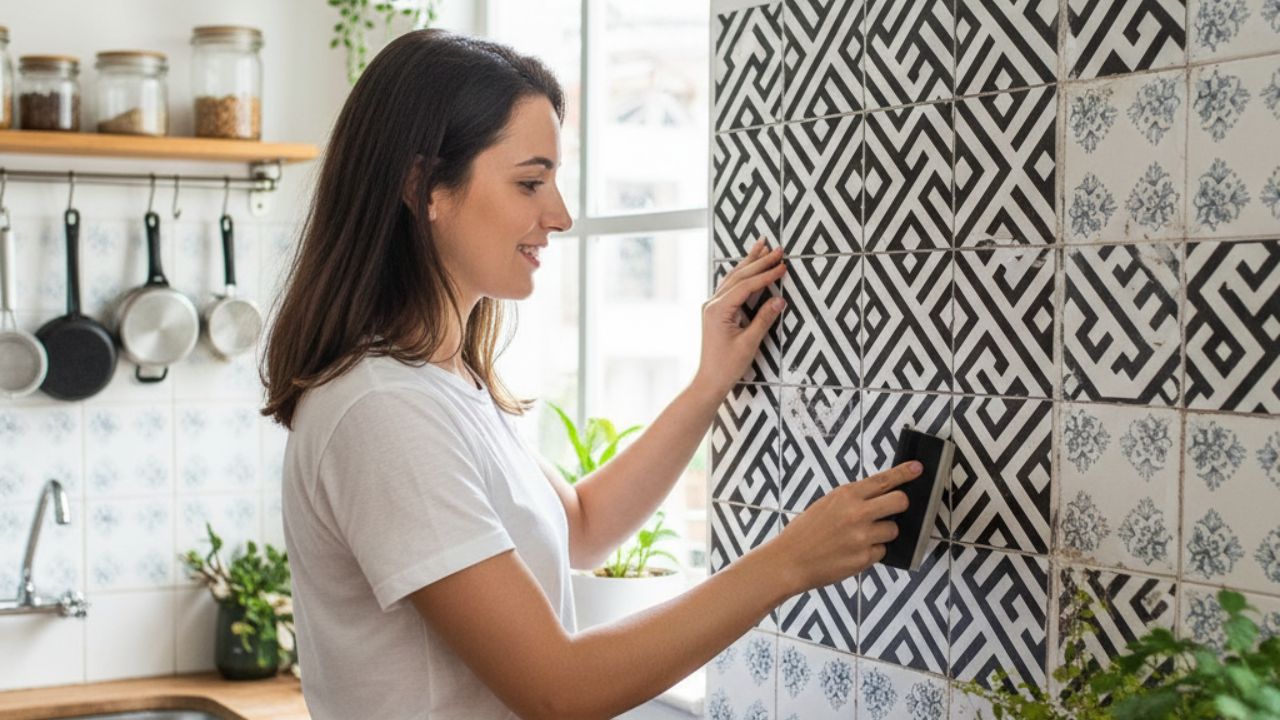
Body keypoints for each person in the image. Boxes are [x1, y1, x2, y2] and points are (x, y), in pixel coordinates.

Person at [261, 29, 919, 720]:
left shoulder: (445, 384)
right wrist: (788, 563)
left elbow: (582, 527)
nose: (561, 214)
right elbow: (558, 688)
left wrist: (708, 385)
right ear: (424, 185)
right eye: (529, 182)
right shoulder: (383, 411)